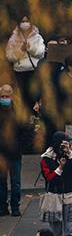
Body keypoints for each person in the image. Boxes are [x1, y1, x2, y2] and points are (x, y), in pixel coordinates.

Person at [0, 83, 34, 216]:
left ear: (12, 96)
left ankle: (15, 206)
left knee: (15, 183)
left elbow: (27, 131)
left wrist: (21, 147)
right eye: (2, 96)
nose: (4, 98)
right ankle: (2, 207)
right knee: (2, 183)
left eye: (6, 96)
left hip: (14, 153)